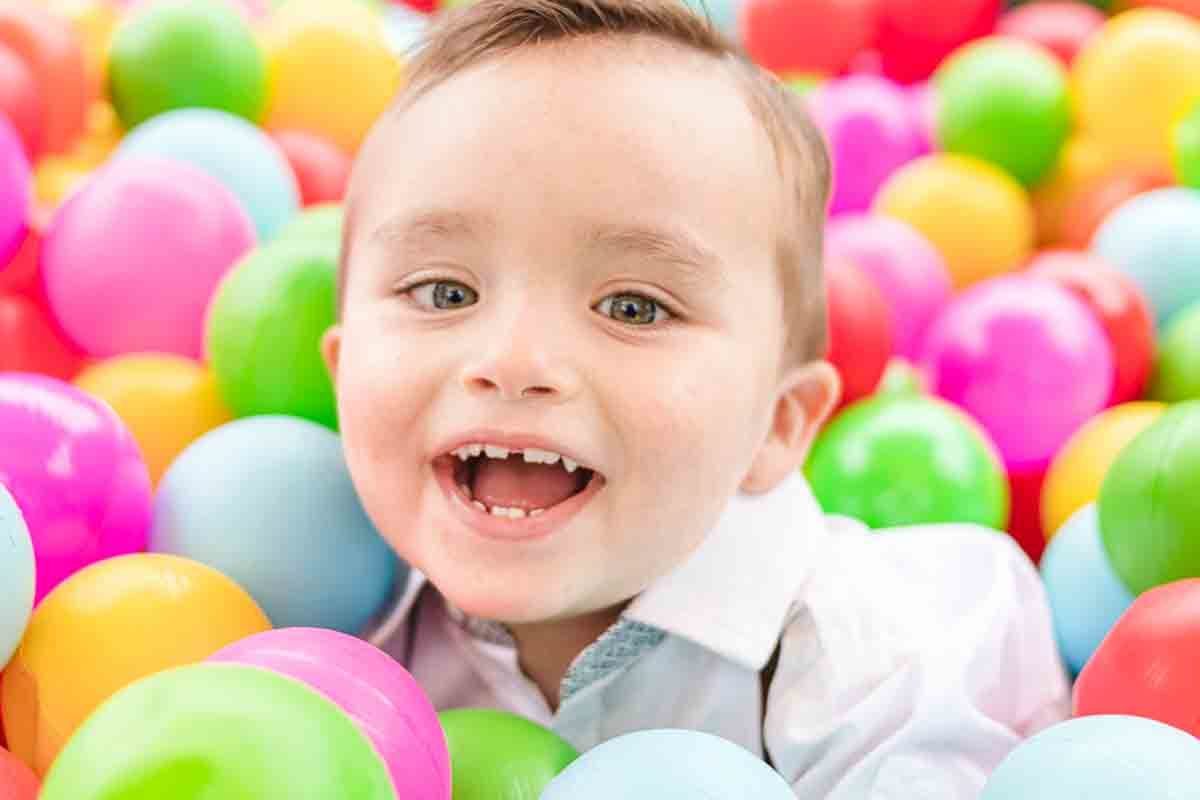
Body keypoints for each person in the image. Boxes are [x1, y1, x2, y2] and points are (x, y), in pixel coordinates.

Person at [320, 0, 1070, 794]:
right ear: (341, 371)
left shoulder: (889, 660)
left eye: (632, 307)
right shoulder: (318, 630)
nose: (513, 361)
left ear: (777, 425)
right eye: (443, 292)